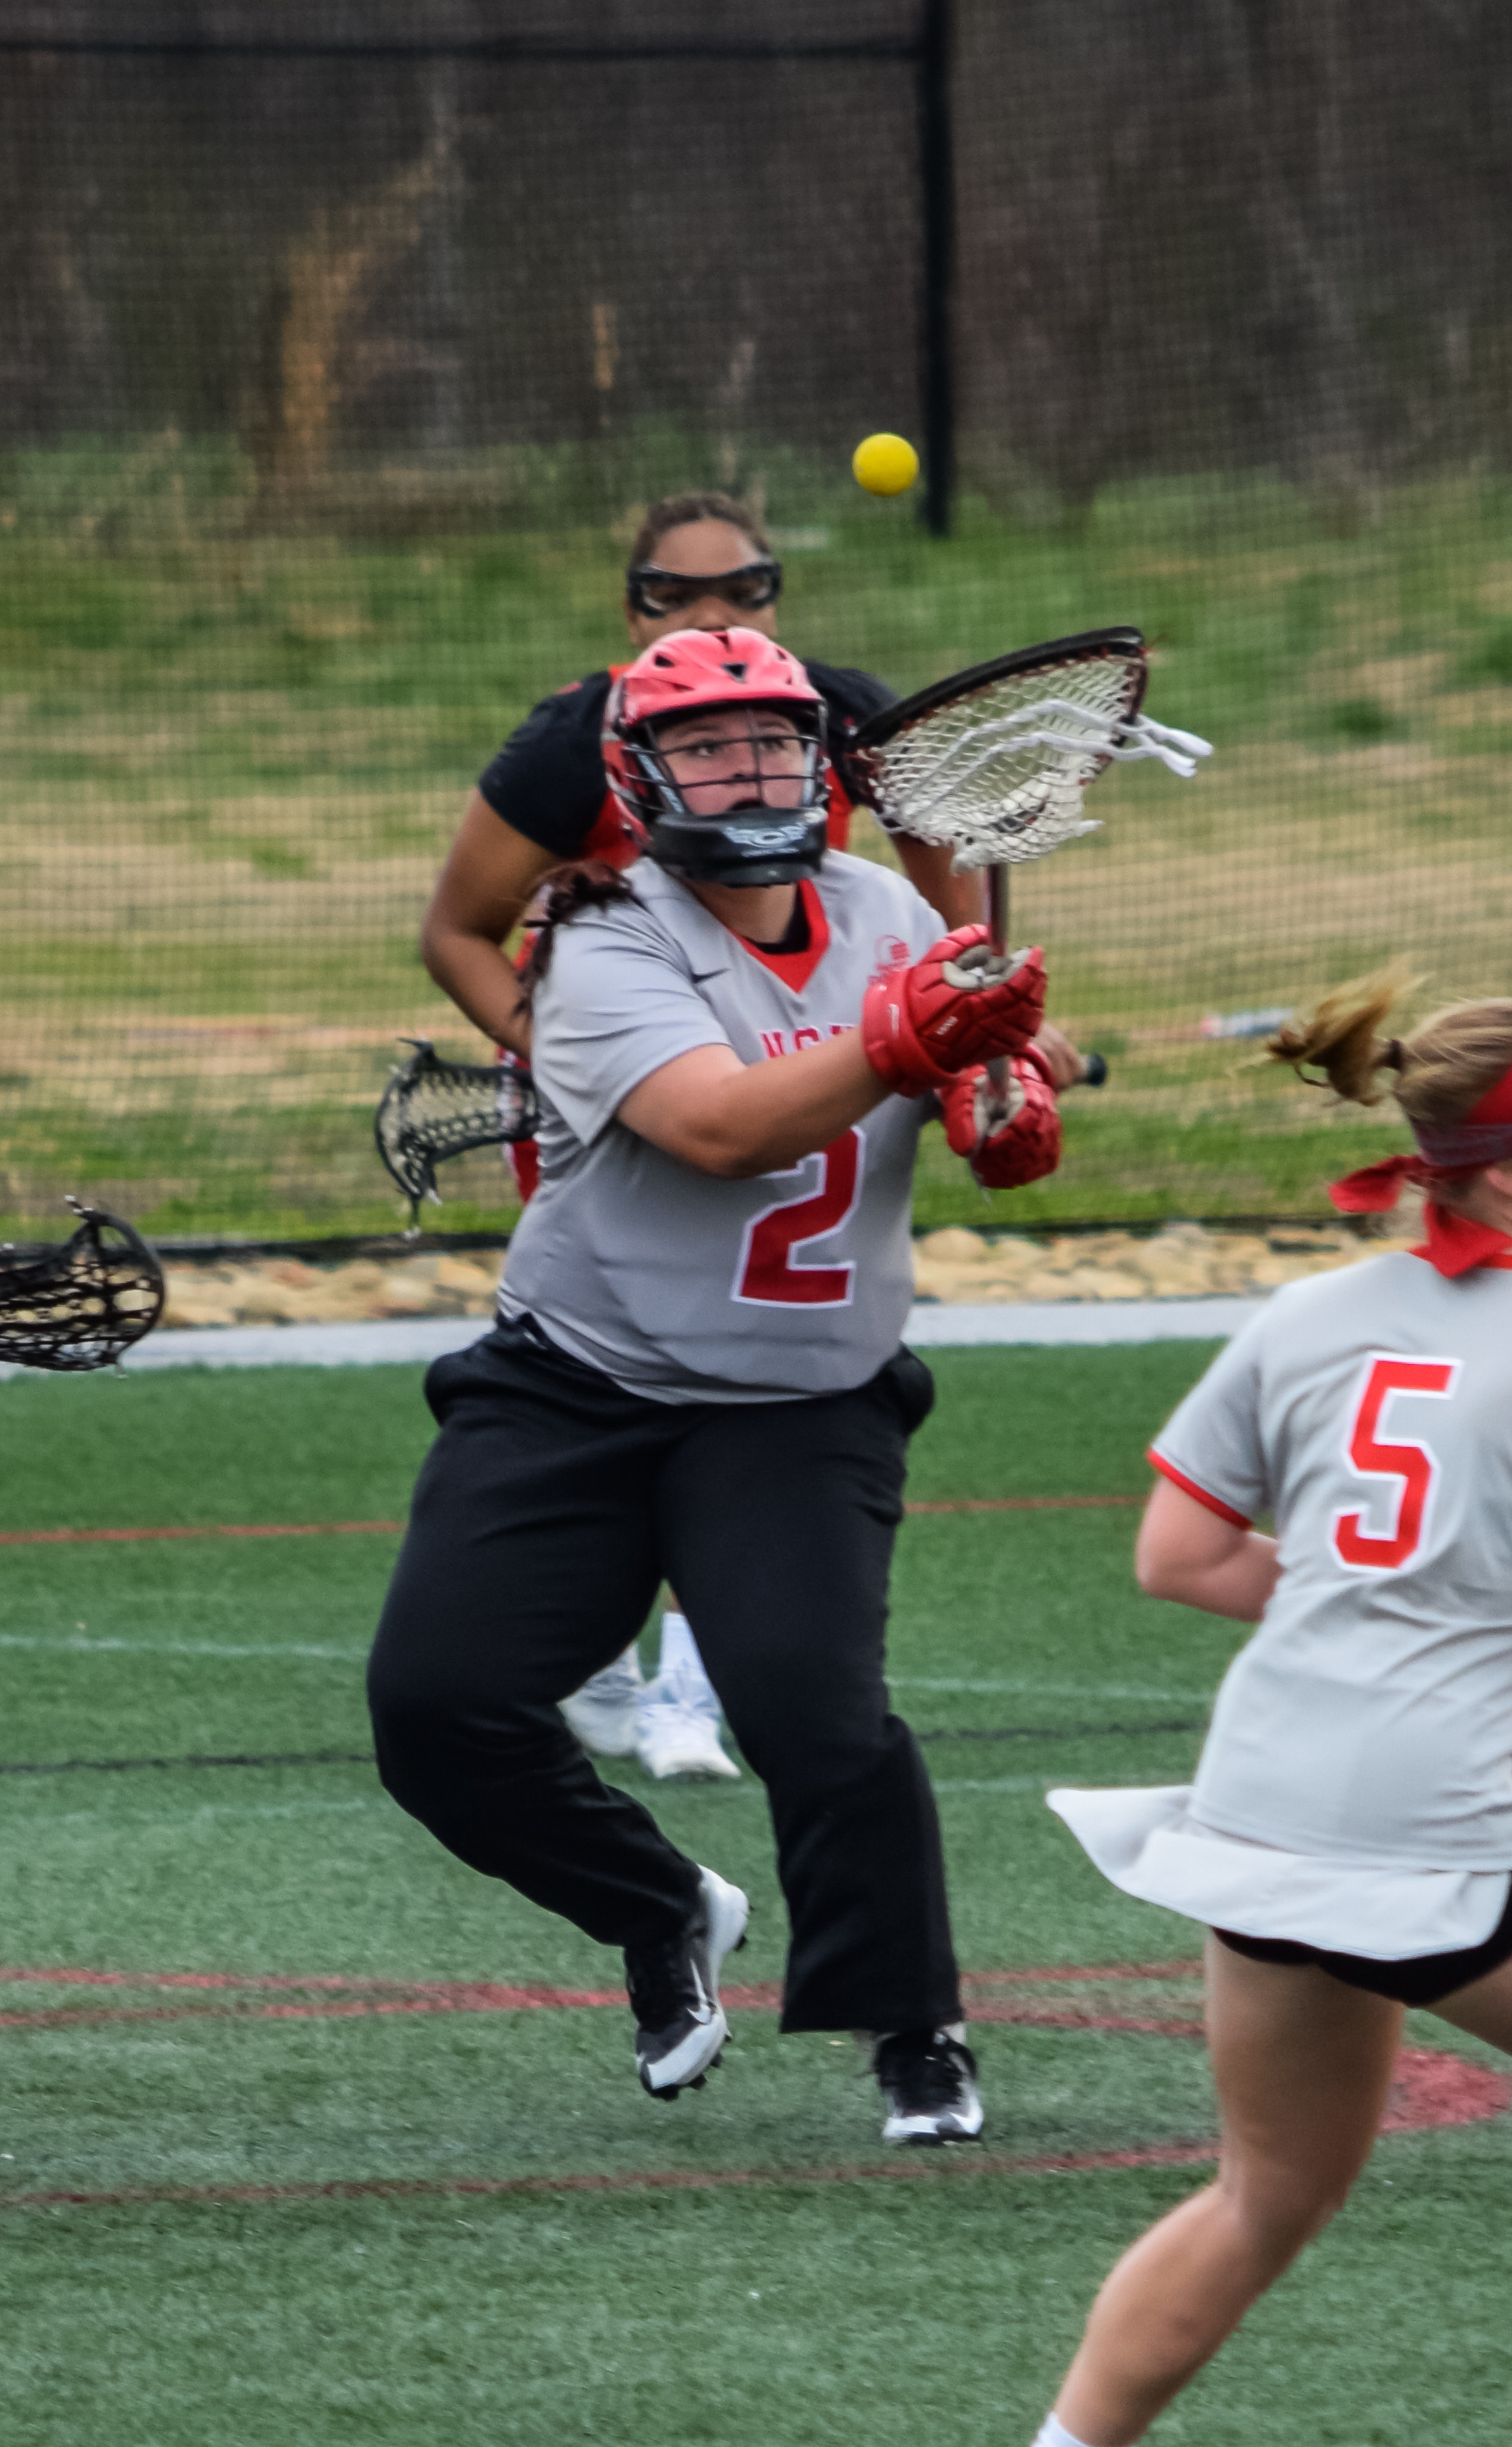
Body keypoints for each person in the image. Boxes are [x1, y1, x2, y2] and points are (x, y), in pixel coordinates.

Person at [369, 626, 1063, 2144]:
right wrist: (911, 1041)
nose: (747, 768)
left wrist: (1003, 1092)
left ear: (823, 762)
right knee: (435, 1709)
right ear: (634, 770)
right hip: (579, 1382)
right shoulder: (605, 937)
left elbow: (992, 1077)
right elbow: (723, 1129)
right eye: (706, 744)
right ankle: (662, 1904)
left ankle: (915, 2027)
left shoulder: (890, 911)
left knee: (817, 1717)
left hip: (801, 1401)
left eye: (772, 740)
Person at [978, 968, 1512, 2447]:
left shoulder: (1312, 1314)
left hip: (1269, 1799)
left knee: (1265, 2192)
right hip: (1436, 1823)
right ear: (1500, 1170)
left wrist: (1381, 1606)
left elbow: (1182, 1554)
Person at [420, 487, 1086, 1780]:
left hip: (816, 1083)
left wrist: (988, 1049)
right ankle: (591, 1645)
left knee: (766, 1388)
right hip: (644, 1062)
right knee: (624, 1340)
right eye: (678, 593)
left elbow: (957, 950)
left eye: (749, 586)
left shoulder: (839, 717)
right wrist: (568, 1058)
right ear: (632, 606)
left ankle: (693, 1681)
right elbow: (458, 928)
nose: (719, 610)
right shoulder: (573, 739)